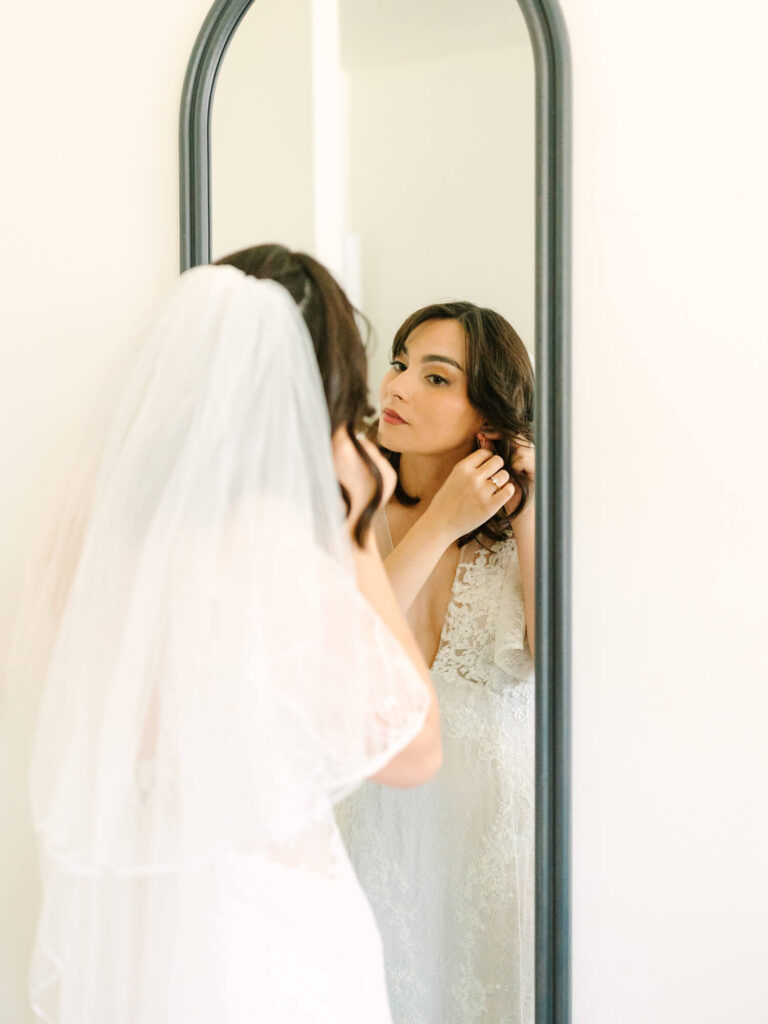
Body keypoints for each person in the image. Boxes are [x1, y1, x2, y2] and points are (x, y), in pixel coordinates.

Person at [14, 245, 442, 1024]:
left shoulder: (93, 530)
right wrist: (357, 531)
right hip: (263, 933)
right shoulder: (275, 546)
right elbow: (414, 750)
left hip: (142, 925)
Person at [336, 301, 536, 1024]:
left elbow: (555, 657)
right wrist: (441, 522)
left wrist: (528, 504)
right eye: (398, 364)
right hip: (372, 821)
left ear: (489, 419)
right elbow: (349, 656)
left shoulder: (523, 534)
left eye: (434, 376)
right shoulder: (348, 507)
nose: (396, 387)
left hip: (489, 839)